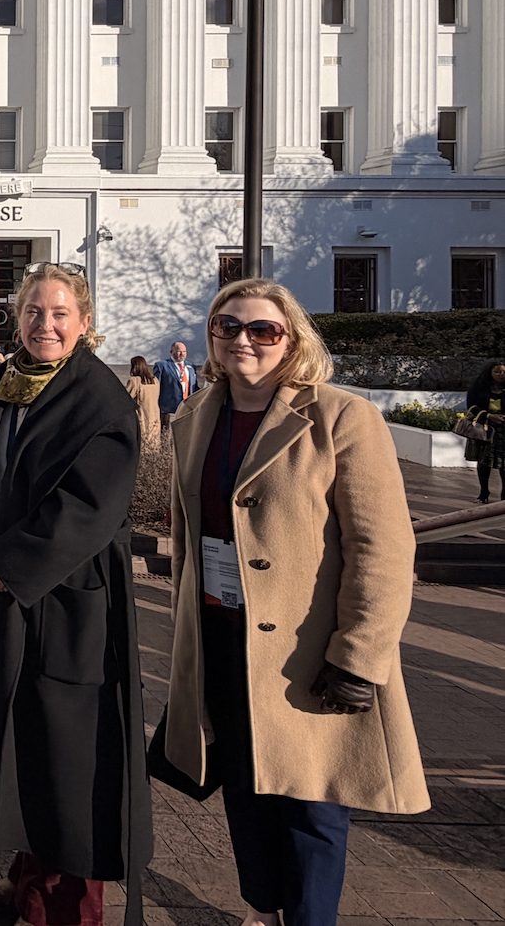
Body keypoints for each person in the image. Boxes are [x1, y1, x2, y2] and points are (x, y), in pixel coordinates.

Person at [164, 278, 429, 926]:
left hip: (308, 653)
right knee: (246, 789)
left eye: (263, 329)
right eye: (229, 327)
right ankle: (265, 908)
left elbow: (384, 547)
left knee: (313, 808)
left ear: (292, 340)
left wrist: (361, 654)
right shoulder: (197, 418)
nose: (244, 341)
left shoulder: (341, 417)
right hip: (225, 636)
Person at [0, 263, 150, 926]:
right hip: (14, 593)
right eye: (35, 312)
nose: (46, 324)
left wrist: (5, 560)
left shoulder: (99, 397)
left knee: (73, 753)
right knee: (21, 733)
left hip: (75, 600)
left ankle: (69, 907)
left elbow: (91, 506)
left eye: (60, 312)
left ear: (85, 321)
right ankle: (27, 875)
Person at [126, 355, 171, 508]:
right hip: (154, 419)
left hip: (141, 419)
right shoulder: (154, 381)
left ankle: (141, 483)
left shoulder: (134, 381)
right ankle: (151, 479)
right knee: (153, 450)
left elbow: (125, 400)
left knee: (141, 451)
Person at [463, 360, 505, 503]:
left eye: (503, 372)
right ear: (490, 373)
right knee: (484, 462)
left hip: (503, 430)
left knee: (503, 464)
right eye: (497, 372)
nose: (501, 375)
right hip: (485, 428)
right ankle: (484, 491)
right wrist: (489, 415)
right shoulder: (479, 387)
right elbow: (472, 407)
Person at [152, 340, 201, 431]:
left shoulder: (191, 367)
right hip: (169, 411)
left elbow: (195, 388)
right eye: (179, 351)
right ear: (171, 352)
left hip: (187, 410)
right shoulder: (162, 366)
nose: (182, 354)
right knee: (168, 439)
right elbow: (155, 388)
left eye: (184, 351)